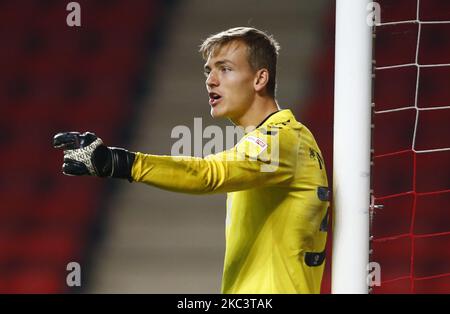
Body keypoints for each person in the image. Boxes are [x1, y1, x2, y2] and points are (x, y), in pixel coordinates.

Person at [53, 27, 329, 294]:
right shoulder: (286, 139)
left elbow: (207, 175)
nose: (211, 80)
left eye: (225, 69)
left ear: (259, 79)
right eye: (209, 71)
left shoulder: (279, 140)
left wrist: (120, 162)